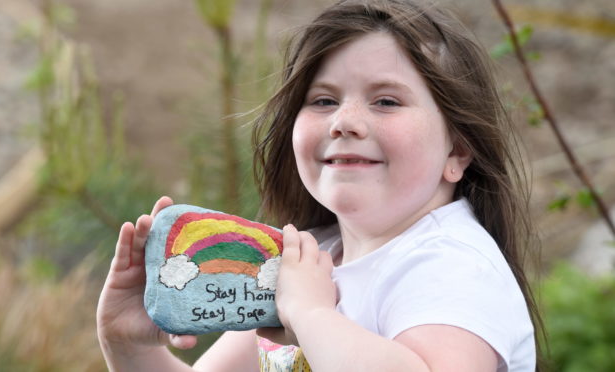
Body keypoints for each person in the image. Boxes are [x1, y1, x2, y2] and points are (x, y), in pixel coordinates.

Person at [97, 0, 543, 371]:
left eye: (386, 101)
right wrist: (130, 345)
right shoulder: (309, 259)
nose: (343, 122)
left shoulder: (452, 266)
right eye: (323, 101)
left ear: (457, 150)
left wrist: (311, 314)